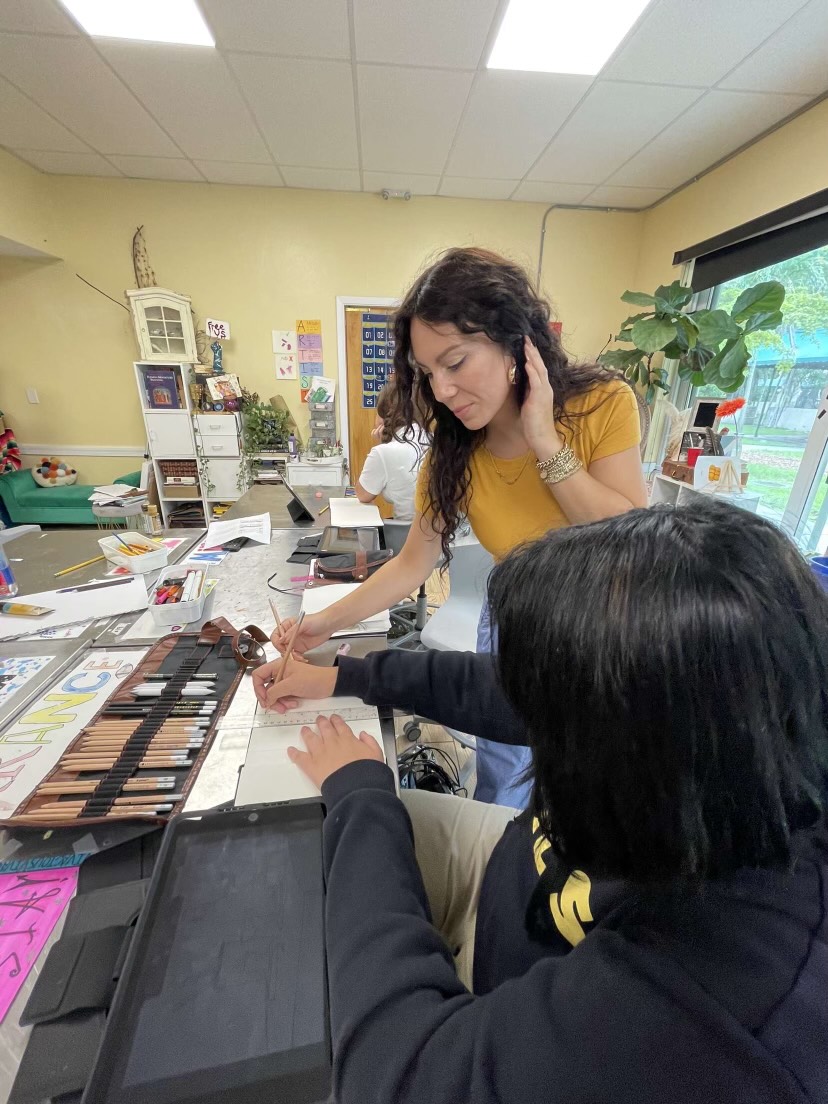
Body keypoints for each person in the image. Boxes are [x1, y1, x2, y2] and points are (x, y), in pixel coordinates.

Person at [255, 499, 828, 1104]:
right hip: (515, 878)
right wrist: (347, 676)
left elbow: (398, 1075)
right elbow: (508, 690)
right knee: (293, 831)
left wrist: (362, 796)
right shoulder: (715, 740)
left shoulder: (715, 1005)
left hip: (509, 993)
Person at [274, 247, 648, 806]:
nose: (443, 390)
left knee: (589, 778)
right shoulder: (455, 449)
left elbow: (634, 544)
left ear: (515, 343)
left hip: (604, 627)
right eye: (429, 373)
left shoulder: (600, 404)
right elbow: (413, 562)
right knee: (506, 783)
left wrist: (546, 442)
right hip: (513, 622)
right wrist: (322, 623)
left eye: (455, 363)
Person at [354, 381, 428, 522]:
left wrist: (382, 445)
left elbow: (363, 494)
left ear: (383, 417)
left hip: (408, 537)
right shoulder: (433, 439)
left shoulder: (383, 453)